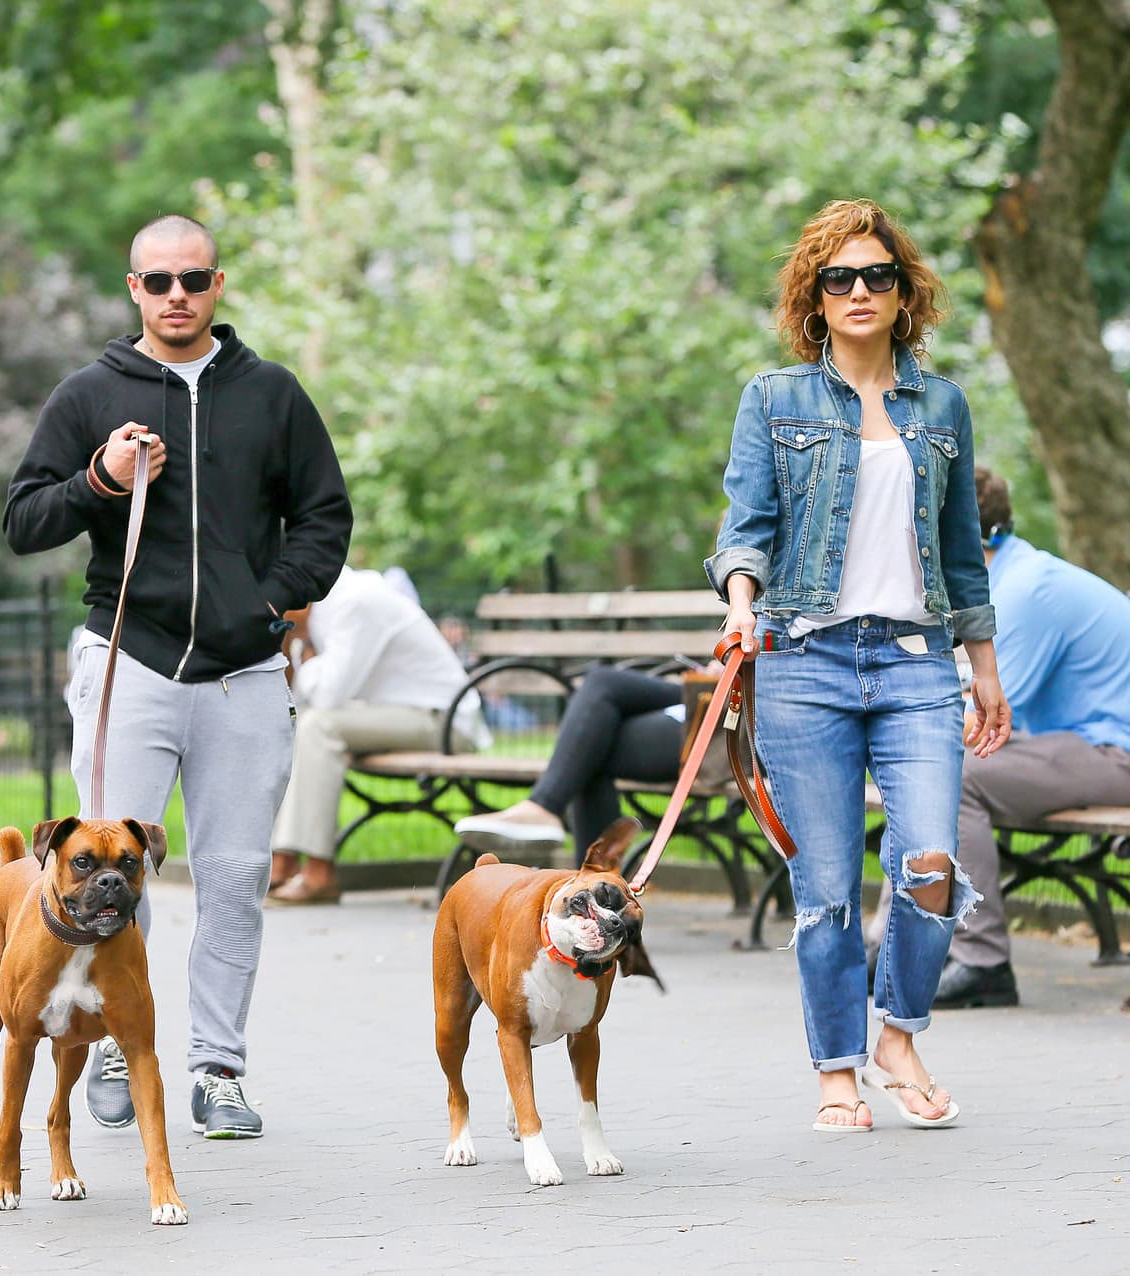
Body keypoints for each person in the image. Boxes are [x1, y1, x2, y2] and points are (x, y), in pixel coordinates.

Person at [4, 214, 352, 1138]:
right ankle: (119, 1042)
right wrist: (102, 480)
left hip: (242, 676)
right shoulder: (89, 394)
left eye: (192, 279)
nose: (176, 297)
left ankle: (219, 1069)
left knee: (235, 879)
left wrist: (268, 601)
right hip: (131, 665)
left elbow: (325, 517)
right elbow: (24, 520)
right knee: (108, 879)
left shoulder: (273, 394)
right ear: (133, 291)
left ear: (218, 285)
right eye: (157, 282)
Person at [705, 199, 1010, 1134]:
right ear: (815, 297)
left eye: (879, 275)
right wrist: (742, 605)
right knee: (828, 887)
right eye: (839, 278)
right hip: (805, 662)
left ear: (904, 291)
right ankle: (838, 1068)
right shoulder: (774, 398)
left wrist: (984, 668)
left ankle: (899, 1035)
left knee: (928, 865)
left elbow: (962, 555)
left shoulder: (943, 403)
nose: (860, 291)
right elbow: (744, 528)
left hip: (918, 665)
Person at [868, 467, 1130, 1008]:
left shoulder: (1029, 590)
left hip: (1115, 751)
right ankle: (888, 943)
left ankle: (980, 960)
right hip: (1080, 745)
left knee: (952, 776)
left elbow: (979, 723)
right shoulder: (1010, 578)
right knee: (923, 768)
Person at [268, 564, 488, 903]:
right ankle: (283, 862)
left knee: (318, 725)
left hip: (444, 721)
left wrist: (303, 658)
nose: (275, 615)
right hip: (406, 712)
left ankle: (316, 873)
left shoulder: (355, 602)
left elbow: (328, 695)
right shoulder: (336, 603)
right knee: (310, 722)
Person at [453, 664, 730, 865]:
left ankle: (591, 894)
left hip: (741, 717)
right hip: (707, 694)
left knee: (592, 743)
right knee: (601, 686)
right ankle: (594, 890)